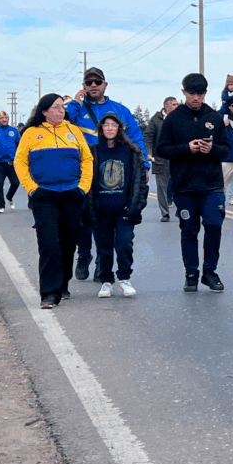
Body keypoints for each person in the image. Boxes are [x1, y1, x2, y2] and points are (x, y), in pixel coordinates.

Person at [66, 67, 149, 282]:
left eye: (97, 82)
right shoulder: (78, 109)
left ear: (105, 85)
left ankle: (103, 267)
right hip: (84, 170)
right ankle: (83, 255)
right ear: (83, 87)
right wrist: (76, 103)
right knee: (85, 217)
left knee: (109, 222)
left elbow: (136, 138)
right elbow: (64, 123)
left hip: (114, 172)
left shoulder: (119, 110)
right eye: (88, 82)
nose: (93, 85)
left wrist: (143, 167)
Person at [14, 94, 92, 308]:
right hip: (44, 196)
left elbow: (87, 159)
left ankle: (62, 284)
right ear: (44, 111)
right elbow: (20, 162)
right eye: (56, 107)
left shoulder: (73, 131)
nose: (61, 111)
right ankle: (49, 293)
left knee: (67, 244)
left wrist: (82, 188)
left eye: (62, 107)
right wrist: (32, 189)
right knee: (49, 244)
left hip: (72, 195)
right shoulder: (31, 133)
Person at [156, 73, 230, 293]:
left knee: (214, 226)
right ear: (184, 92)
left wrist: (212, 149)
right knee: (189, 230)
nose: (195, 98)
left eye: (200, 93)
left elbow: (226, 149)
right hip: (184, 185)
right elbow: (161, 149)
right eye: (191, 93)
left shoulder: (214, 117)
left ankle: (210, 271)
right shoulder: (174, 118)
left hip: (212, 184)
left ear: (205, 93)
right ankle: (191, 274)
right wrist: (186, 148)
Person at [90, 113, 148, 298]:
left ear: (119, 129)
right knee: (103, 247)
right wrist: (90, 206)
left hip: (124, 208)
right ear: (101, 128)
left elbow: (139, 181)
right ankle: (106, 281)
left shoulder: (131, 151)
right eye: (106, 125)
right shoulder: (93, 151)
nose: (109, 128)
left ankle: (124, 278)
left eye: (113, 125)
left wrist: (137, 205)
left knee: (124, 244)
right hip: (101, 209)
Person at [144, 97, 178, 222]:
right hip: (159, 157)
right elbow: (148, 136)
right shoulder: (156, 120)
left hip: (176, 156)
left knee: (179, 184)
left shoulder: (180, 118)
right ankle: (165, 213)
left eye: (177, 104)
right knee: (162, 186)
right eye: (174, 104)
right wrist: (148, 152)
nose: (177, 106)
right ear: (166, 106)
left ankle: (181, 209)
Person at [0, 111, 21, 213]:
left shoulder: (14, 131)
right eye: (2, 118)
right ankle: (1, 206)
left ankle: (9, 196)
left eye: (6, 118)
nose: (4, 120)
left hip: (11, 162)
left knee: (15, 183)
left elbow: (18, 144)